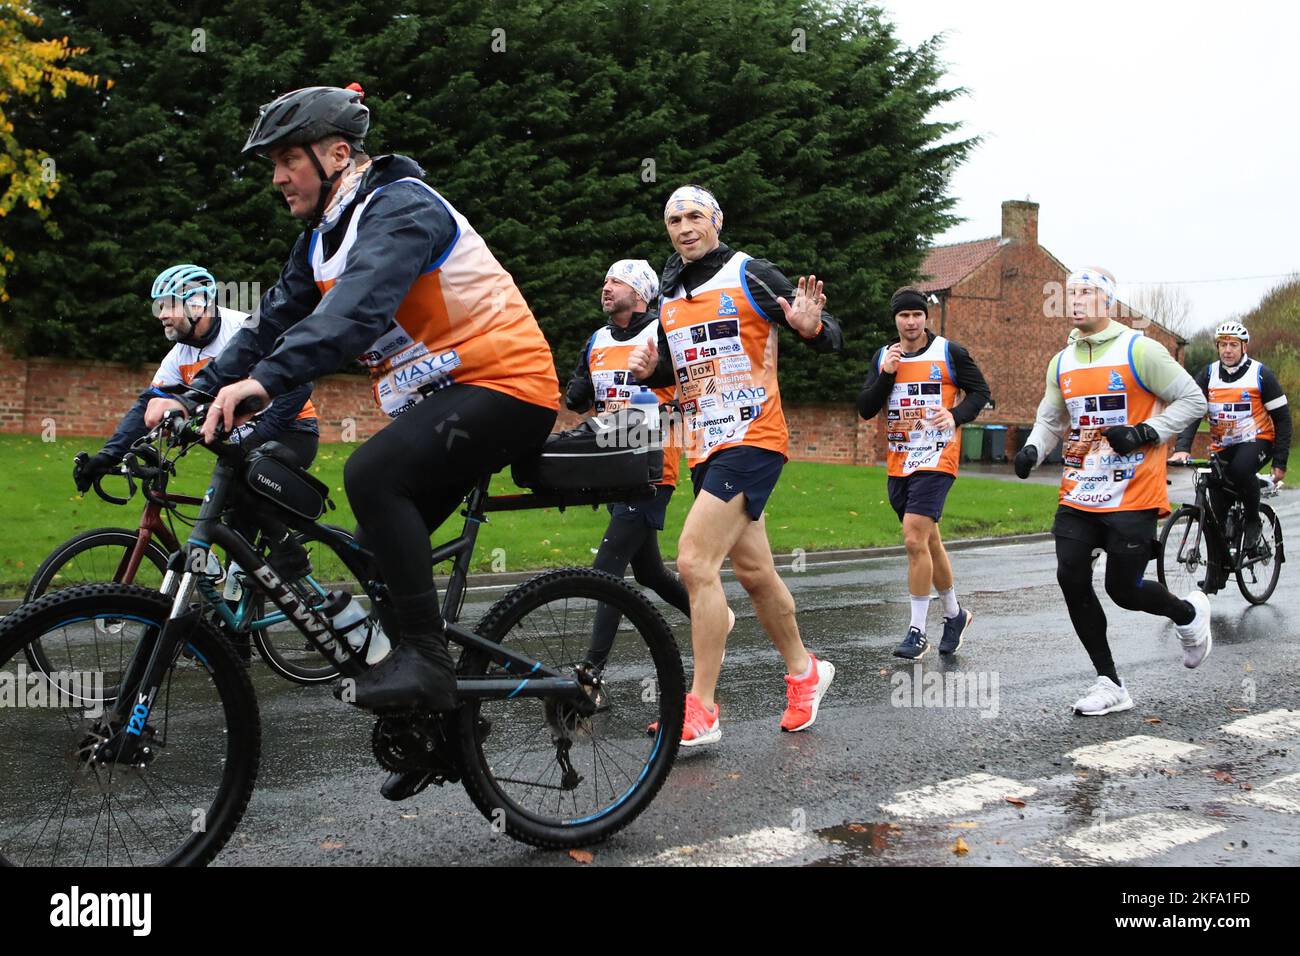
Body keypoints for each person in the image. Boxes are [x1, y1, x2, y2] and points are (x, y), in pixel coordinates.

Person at [144, 85, 560, 728]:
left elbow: (354, 311)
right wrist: (194, 392)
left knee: (370, 473)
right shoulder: (319, 238)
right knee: (371, 558)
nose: (278, 178)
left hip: (505, 387)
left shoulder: (401, 208)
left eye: (288, 159)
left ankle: (427, 659)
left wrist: (265, 384)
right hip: (445, 401)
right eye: (273, 164)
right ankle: (438, 720)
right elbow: (265, 324)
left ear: (338, 153)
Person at [627, 184, 842, 747]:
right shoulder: (669, 294)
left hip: (754, 438)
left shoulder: (749, 273)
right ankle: (805, 672)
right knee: (753, 573)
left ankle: (700, 707)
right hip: (705, 445)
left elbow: (827, 334)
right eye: (674, 219)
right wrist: (652, 372)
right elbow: (678, 372)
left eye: (695, 215)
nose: (684, 226)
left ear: (716, 221)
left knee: (694, 561)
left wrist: (809, 325)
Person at [1013, 267, 1211, 716]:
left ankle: (1187, 615)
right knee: (1070, 576)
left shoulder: (1139, 350)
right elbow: (1051, 420)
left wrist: (1146, 432)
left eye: (1086, 292)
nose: (1077, 300)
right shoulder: (1062, 360)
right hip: (1079, 492)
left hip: (1133, 493)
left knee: (1124, 590)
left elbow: (1193, 399)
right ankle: (1109, 682)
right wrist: (1031, 449)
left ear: (1107, 301)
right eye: (1071, 293)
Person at [564, 259, 701, 677]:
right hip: (611, 459)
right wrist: (581, 386)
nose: (606, 287)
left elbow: (692, 380)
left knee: (607, 567)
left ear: (640, 291)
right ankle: (713, 616)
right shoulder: (597, 339)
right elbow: (577, 398)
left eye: (616, 281)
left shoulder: (662, 331)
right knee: (649, 571)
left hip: (652, 461)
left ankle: (590, 673)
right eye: (604, 279)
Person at [74, 264, 319, 493]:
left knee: (246, 504)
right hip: (241, 441)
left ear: (196, 306)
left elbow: (299, 384)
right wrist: (107, 456)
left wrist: (254, 441)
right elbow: (148, 405)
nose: (161, 315)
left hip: (291, 430)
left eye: (169, 306)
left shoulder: (244, 330)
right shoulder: (179, 355)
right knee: (220, 511)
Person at [857, 287, 990, 659]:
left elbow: (981, 392)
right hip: (900, 460)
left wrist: (956, 415)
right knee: (929, 541)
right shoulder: (885, 356)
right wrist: (886, 375)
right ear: (895, 319)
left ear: (926, 317)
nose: (911, 322)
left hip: (937, 457)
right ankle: (954, 614)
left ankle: (916, 630)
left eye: (917, 314)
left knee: (914, 538)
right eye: (904, 315)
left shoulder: (949, 352)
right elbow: (866, 408)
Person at [1171, 320, 1290, 579]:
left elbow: (1282, 418)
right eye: (1223, 345)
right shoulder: (1208, 374)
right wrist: (1182, 448)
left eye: (1233, 345)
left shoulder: (1260, 374)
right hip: (1223, 445)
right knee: (1216, 499)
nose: (1227, 350)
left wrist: (1280, 461)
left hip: (1258, 440)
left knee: (1240, 469)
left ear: (1243, 347)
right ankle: (1218, 573)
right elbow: (1192, 413)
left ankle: (1252, 520)